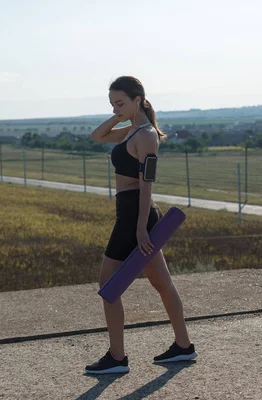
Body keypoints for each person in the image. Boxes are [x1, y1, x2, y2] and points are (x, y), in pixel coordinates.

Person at [85, 76, 197, 374]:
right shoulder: (130, 130)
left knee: (108, 286)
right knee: (162, 283)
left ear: (139, 99)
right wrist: (118, 114)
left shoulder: (145, 135)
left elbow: (147, 182)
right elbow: (96, 136)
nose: (115, 108)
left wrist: (139, 228)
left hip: (137, 213)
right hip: (132, 212)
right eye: (112, 103)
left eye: (120, 102)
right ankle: (184, 346)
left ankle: (117, 358)